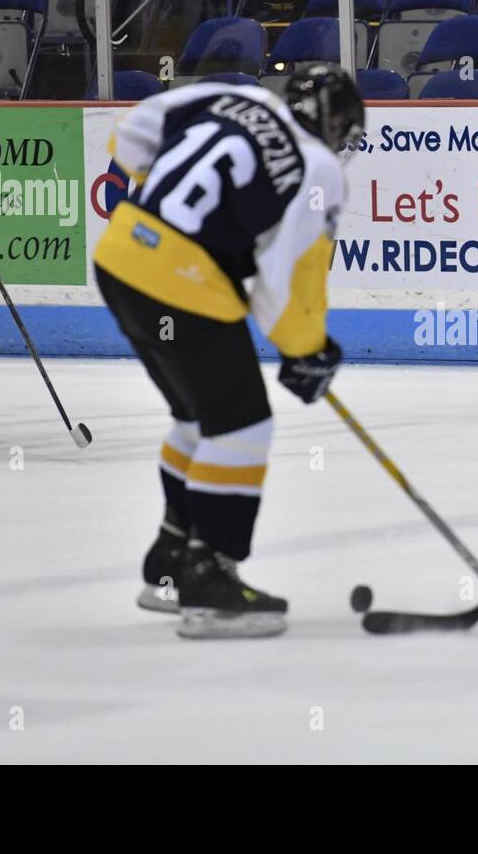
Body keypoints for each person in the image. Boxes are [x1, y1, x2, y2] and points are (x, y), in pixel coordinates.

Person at [93, 63, 364, 639]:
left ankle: (169, 561)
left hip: (120, 257)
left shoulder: (231, 93)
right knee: (241, 425)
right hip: (179, 282)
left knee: (198, 415)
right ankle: (209, 581)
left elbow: (130, 135)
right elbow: (289, 278)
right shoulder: (318, 166)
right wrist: (306, 350)